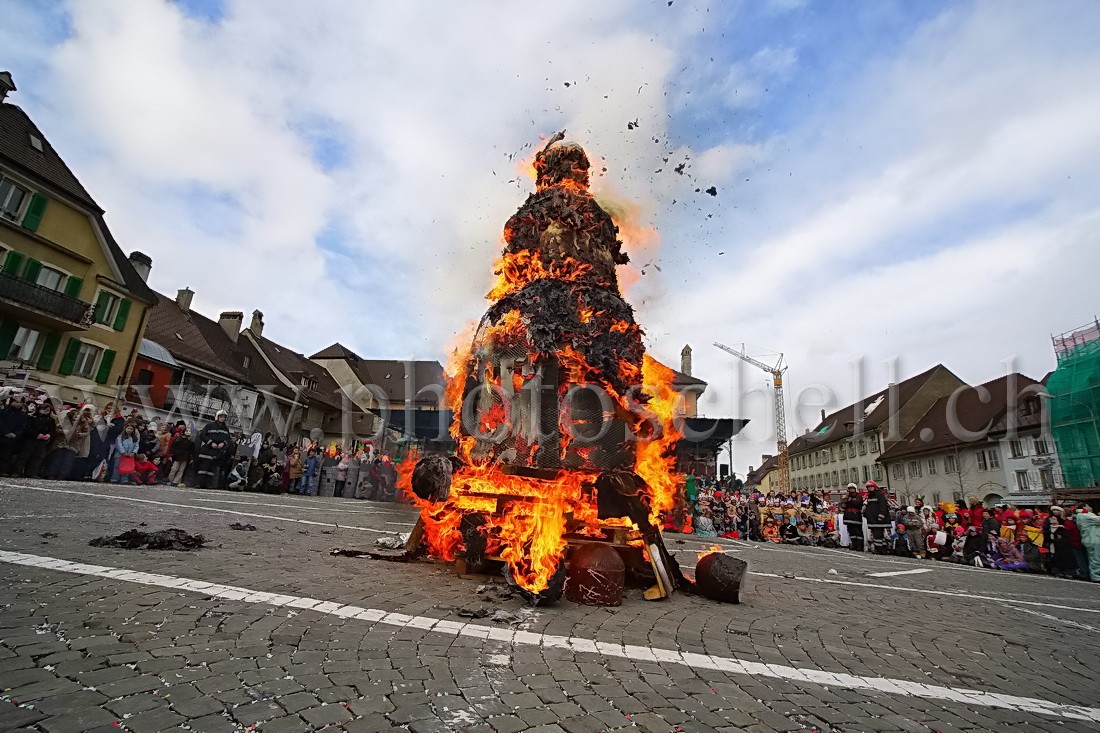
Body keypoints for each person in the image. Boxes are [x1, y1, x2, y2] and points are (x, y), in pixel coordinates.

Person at [17, 401, 56, 478]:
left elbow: (52, 430)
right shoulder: (32, 417)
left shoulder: (51, 420)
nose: (46, 411)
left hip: (42, 441)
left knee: (37, 457)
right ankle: (18, 471)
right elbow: (28, 428)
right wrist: (36, 435)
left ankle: (31, 472)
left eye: (48, 410)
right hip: (31, 439)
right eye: (44, 409)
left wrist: (49, 435)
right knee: (24, 456)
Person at [195, 411, 231, 489]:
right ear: (217, 417)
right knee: (203, 468)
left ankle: (208, 484)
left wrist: (223, 443)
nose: (222, 418)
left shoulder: (226, 429)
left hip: (217, 452)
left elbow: (228, 439)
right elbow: (203, 435)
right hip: (207, 450)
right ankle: (199, 483)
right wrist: (211, 443)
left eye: (224, 417)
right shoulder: (210, 426)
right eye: (221, 417)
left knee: (212, 469)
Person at [863, 480, 891, 554]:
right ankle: (881, 548)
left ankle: (880, 549)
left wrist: (881, 516)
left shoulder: (879, 494)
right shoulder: (870, 495)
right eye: (868, 487)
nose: (870, 488)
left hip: (879, 519)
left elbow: (883, 506)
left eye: (871, 487)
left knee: (878, 534)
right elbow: (870, 507)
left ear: (874, 487)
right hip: (873, 519)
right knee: (877, 534)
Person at [1075, 505, 1100, 582]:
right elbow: (1098, 520)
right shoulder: (1082, 515)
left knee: (1096, 558)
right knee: (1095, 558)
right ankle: (1095, 576)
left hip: (1094, 539)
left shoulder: (1089, 515)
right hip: (1092, 539)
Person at [841, 484, 864, 552]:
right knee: (851, 532)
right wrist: (844, 500)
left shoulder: (858, 496)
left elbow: (858, 503)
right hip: (848, 516)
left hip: (855, 516)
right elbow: (843, 505)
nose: (851, 490)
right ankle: (854, 544)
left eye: (852, 489)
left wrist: (849, 500)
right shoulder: (847, 496)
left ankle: (860, 546)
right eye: (850, 489)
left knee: (858, 531)